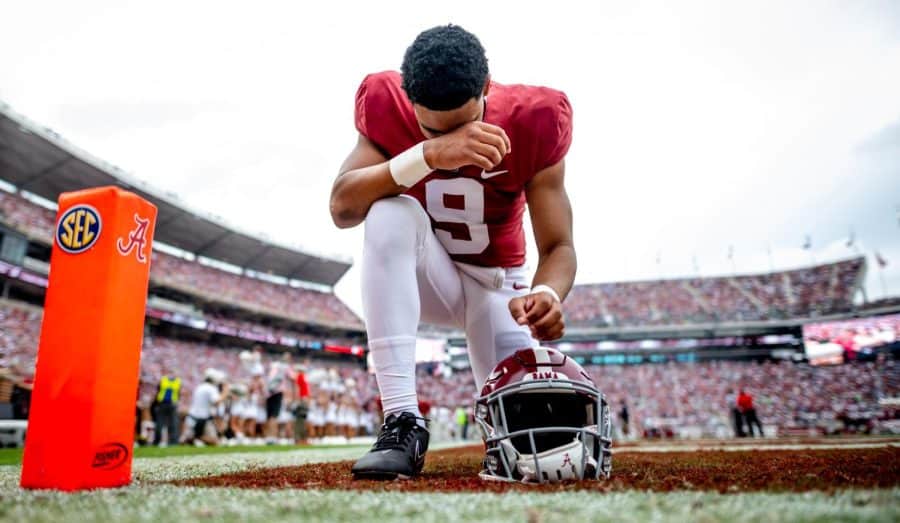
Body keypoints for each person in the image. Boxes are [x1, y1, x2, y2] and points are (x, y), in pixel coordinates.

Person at [332, 25, 577, 480]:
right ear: (407, 97)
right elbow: (343, 207)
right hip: (427, 276)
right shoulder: (386, 102)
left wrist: (548, 291)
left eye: (466, 127)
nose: (458, 143)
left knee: (526, 448)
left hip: (499, 289)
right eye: (433, 128)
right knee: (389, 211)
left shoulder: (534, 117)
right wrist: (428, 154)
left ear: (487, 87)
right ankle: (402, 420)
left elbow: (559, 245)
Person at [187, 369, 228, 446]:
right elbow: (217, 402)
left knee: (213, 440)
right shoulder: (210, 388)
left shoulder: (200, 387)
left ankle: (194, 438)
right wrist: (225, 391)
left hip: (193, 417)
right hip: (202, 419)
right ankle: (194, 438)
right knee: (215, 442)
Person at [152, 366, 180, 446]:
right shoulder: (177, 381)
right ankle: (173, 442)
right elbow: (178, 393)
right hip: (171, 404)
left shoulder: (163, 380)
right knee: (172, 423)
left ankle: (157, 441)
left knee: (160, 423)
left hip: (163, 403)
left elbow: (158, 391)